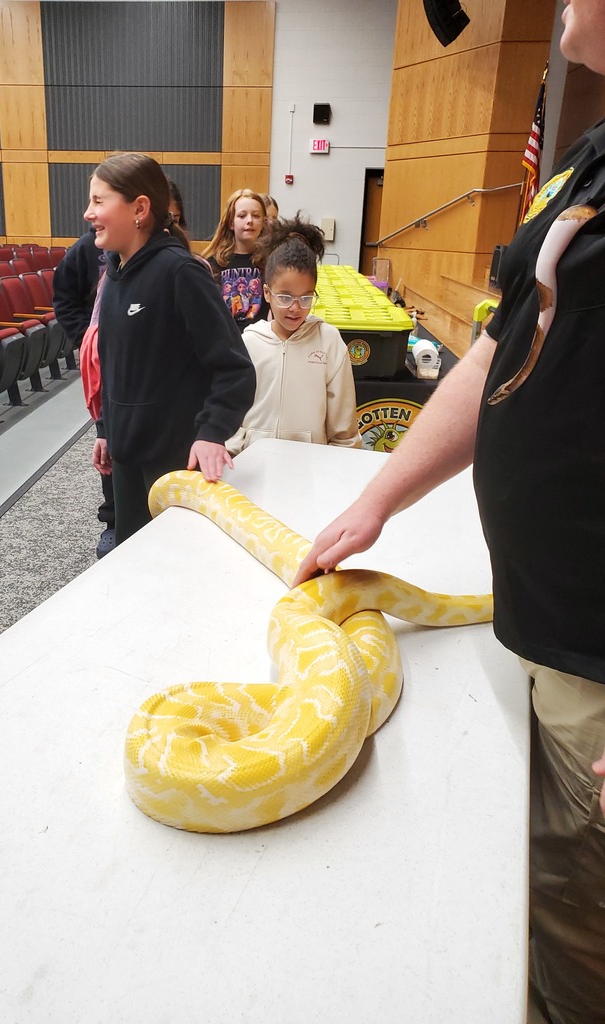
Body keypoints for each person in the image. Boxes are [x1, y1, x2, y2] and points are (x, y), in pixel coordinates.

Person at [293, 4, 605, 1020]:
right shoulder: (591, 158)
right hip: (543, 620)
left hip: (595, 666)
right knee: (540, 891)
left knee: (580, 931)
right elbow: (502, 346)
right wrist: (379, 496)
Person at [86, 153, 256, 546]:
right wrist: (105, 429)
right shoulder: (114, 274)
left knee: (175, 568)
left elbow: (235, 369)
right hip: (126, 457)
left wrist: (212, 433)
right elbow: (115, 369)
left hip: (174, 458)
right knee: (133, 560)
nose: (88, 213)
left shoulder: (181, 273)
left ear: (140, 209)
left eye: (98, 201)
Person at [227, 216, 361, 456]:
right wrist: (235, 451)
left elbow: (344, 430)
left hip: (309, 468)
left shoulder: (328, 342)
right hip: (253, 464)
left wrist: (340, 464)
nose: (295, 308)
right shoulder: (249, 342)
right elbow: (232, 409)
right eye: (285, 297)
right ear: (267, 293)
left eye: (306, 298)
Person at [53, 226, 115, 558]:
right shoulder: (85, 249)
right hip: (104, 360)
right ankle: (114, 519)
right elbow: (64, 298)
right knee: (109, 440)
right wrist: (87, 338)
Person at [203, 189, 270, 332]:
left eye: (256, 216)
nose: (250, 221)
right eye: (242, 216)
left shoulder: (272, 262)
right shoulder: (213, 264)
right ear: (230, 223)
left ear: (263, 223)